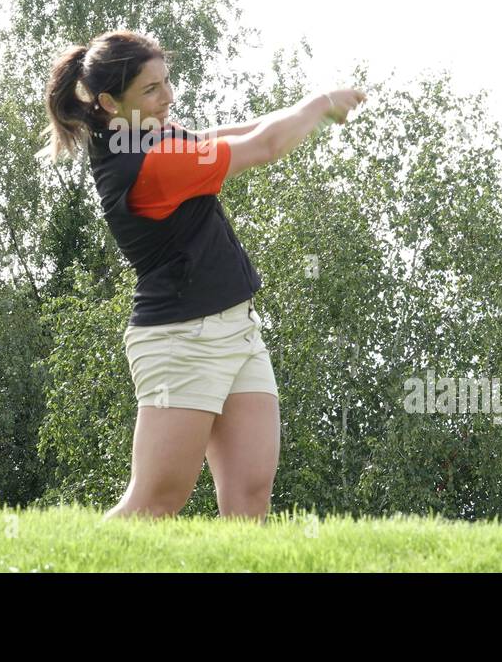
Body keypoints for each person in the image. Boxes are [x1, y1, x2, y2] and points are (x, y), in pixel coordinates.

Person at [40, 30, 365, 523]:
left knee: (251, 497)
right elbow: (267, 146)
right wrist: (318, 105)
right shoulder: (149, 163)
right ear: (109, 102)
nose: (167, 97)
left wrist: (307, 108)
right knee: (155, 502)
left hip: (239, 330)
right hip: (181, 340)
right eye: (151, 90)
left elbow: (231, 134)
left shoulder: (144, 134)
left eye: (166, 82)